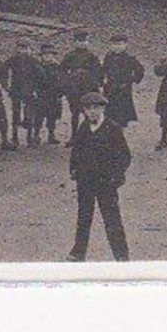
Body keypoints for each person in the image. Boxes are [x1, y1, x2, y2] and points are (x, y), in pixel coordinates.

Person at [66, 92, 132, 262]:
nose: (92, 112)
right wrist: (74, 169)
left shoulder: (113, 129)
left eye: (96, 108)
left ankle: (121, 255)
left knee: (112, 218)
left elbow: (124, 156)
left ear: (103, 108)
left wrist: (115, 176)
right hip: (86, 181)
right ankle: (78, 251)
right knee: (84, 217)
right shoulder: (83, 128)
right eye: (88, 109)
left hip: (105, 183)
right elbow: (76, 151)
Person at [58, 29, 102, 146]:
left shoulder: (92, 56)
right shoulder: (70, 56)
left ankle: (88, 136)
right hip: (74, 89)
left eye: (84, 41)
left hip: (87, 89)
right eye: (79, 41)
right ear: (74, 42)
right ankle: (74, 136)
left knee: (88, 113)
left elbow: (98, 72)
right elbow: (62, 70)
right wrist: (66, 84)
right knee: (74, 113)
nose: (82, 43)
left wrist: (94, 85)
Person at [100, 33, 144, 129]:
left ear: (125, 45)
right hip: (110, 87)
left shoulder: (129, 58)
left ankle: (119, 134)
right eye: (114, 44)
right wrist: (101, 80)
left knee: (122, 113)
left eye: (120, 44)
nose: (117, 47)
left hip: (123, 89)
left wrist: (132, 80)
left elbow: (140, 70)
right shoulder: (109, 56)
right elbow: (104, 69)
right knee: (108, 112)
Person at [6, 38, 42, 148]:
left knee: (30, 115)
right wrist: (6, 86)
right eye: (20, 48)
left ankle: (29, 138)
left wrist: (36, 89)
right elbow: (3, 71)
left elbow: (41, 76)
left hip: (30, 91)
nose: (22, 51)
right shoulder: (12, 60)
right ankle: (15, 138)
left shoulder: (34, 61)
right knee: (15, 114)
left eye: (25, 48)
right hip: (16, 90)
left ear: (29, 49)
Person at [33, 42, 63, 146]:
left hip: (53, 95)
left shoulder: (57, 66)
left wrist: (60, 94)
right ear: (41, 56)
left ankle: (51, 135)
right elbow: (33, 81)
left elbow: (61, 81)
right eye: (45, 54)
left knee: (52, 117)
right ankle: (36, 135)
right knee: (38, 117)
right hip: (41, 95)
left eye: (50, 54)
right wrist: (35, 91)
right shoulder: (37, 67)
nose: (47, 56)